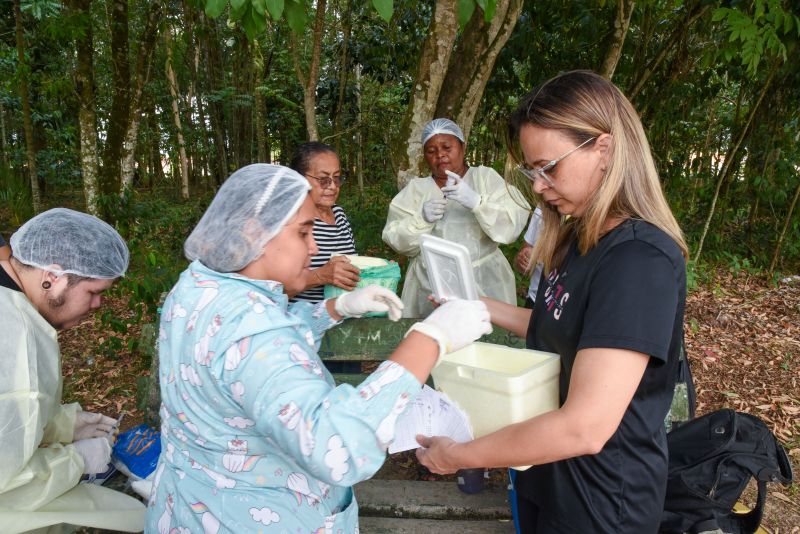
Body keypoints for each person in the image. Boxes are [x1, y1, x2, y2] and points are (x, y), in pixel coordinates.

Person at [144, 164, 491, 532]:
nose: (315, 247)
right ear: (253, 232)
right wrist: (429, 339)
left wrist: (335, 308)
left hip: (194, 505)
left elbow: (251, 354)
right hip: (259, 515)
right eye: (304, 232)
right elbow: (335, 446)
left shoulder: (198, 285)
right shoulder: (249, 325)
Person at [416, 70, 689, 533]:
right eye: (531, 170)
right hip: (546, 475)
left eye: (549, 167)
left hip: (602, 502)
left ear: (603, 149)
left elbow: (585, 426)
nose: (539, 185)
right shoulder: (581, 238)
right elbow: (556, 322)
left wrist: (458, 454)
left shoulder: (639, 260)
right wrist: (476, 306)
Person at [0, 208, 145, 533]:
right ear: (53, 276)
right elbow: (6, 485)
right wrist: (75, 461)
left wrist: (62, 424)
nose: (97, 306)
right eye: (94, 292)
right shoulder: (13, 332)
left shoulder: (12, 297)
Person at [382, 118, 529, 318]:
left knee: (487, 340)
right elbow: (395, 238)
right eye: (431, 151)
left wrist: (477, 202)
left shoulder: (484, 178)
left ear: (462, 146)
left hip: (485, 279)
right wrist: (421, 219)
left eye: (446, 147)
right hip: (429, 285)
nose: (440, 155)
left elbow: (512, 224)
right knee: (436, 341)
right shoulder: (417, 189)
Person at [289, 142, 360, 303]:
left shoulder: (339, 214)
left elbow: (348, 268)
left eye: (336, 178)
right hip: (302, 321)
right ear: (300, 179)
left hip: (340, 317)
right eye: (323, 179)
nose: (333, 186)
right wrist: (320, 275)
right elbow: (273, 288)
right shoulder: (290, 220)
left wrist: (377, 271)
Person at [514, 207, 544, 308]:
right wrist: (522, 261)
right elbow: (522, 267)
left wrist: (540, 256)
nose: (537, 190)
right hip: (534, 298)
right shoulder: (542, 208)